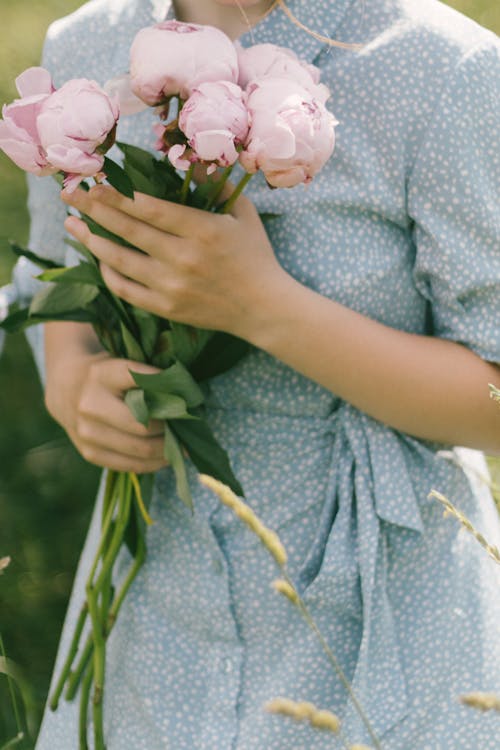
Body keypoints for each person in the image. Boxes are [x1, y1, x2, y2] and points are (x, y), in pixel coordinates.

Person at [8, 0, 500, 747]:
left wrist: (263, 307)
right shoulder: (87, 44)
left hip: (392, 631)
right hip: (157, 622)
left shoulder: (441, 67)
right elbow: (55, 275)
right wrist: (72, 381)